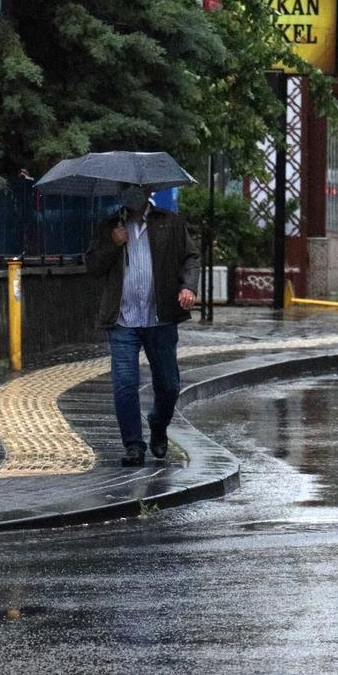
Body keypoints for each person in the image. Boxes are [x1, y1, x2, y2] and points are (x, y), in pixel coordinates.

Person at [86, 184, 200, 466]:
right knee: (125, 384)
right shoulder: (110, 226)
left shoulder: (169, 223)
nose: (130, 193)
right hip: (123, 319)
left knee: (169, 384)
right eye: (125, 189)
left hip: (159, 319)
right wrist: (113, 244)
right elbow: (92, 266)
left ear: (147, 190)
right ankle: (133, 445)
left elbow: (191, 257)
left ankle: (158, 425)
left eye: (135, 188)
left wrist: (188, 287)